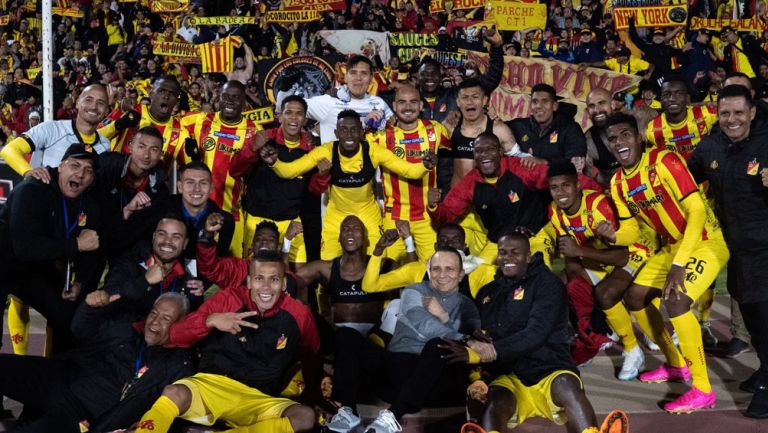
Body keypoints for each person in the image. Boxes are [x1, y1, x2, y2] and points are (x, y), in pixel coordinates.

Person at [598, 112, 729, 413]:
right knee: (634, 296)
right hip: (673, 248)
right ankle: (676, 364)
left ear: (638, 137)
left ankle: (703, 389)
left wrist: (680, 263)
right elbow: (631, 229)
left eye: (625, 135)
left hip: (707, 241)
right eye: (613, 138)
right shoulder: (618, 182)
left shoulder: (664, 161)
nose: (619, 142)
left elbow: (696, 210)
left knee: (678, 300)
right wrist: (613, 235)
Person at [133, 250, 319, 433]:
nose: (266, 287)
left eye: (274, 279)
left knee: (304, 417)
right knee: (174, 392)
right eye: (259, 278)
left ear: (284, 284)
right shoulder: (228, 299)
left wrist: (314, 394)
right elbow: (174, 335)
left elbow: (312, 355)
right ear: (249, 281)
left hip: (259, 399)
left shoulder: (299, 314)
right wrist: (210, 320)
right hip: (211, 386)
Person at [441, 232, 603, 433]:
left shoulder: (548, 284)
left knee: (568, 386)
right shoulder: (488, 293)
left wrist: (482, 351)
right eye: (502, 253)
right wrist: (476, 373)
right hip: (510, 376)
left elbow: (536, 333)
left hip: (549, 370)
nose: (507, 258)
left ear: (528, 256)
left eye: (515, 252)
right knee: (494, 405)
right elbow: (474, 331)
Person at [326, 248, 481, 433]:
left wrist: (444, 316)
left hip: (433, 379)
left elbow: (468, 341)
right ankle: (348, 411)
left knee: (439, 344)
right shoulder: (414, 291)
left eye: (449, 269)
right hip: (395, 370)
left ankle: (392, 416)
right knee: (347, 335)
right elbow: (421, 322)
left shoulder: (467, 305)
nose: (442, 275)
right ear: (428, 269)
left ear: (461, 274)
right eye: (436, 268)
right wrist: (455, 330)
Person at [0, 292, 193, 433]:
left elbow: (171, 410)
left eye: (166, 318)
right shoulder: (127, 332)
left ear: (180, 325)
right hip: (61, 378)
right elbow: (81, 329)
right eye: (154, 313)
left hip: (81, 414)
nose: (155, 322)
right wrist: (89, 307)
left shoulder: (176, 365)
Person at [687, 84, 768, 417]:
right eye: (725, 113)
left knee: (765, 317)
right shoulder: (710, 147)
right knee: (750, 312)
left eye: (738, 113)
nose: (731, 119)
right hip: (734, 250)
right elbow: (682, 182)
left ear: (751, 112)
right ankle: (765, 368)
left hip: (766, 249)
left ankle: (767, 384)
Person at [534, 160, 657, 376]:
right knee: (557, 286)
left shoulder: (598, 205)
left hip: (634, 254)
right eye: (554, 187)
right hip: (599, 258)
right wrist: (577, 278)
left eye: (566, 185)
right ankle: (596, 331)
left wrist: (580, 254)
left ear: (578, 184)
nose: (560, 192)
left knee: (606, 293)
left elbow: (621, 256)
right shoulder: (554, 211)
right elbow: (570, 256)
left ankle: (633, 349)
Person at [262, 109, 434, 260]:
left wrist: (425, 165)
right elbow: (290, 171)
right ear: (337, 133)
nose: (349, 135)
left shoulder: (373, 151)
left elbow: (410, 171)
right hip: (336, 216)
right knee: (328, 265)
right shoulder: (327, 151)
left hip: (368, 214)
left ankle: (383, 298)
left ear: (361, 133)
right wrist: (274, 163)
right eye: (344, 130)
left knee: (381, 258)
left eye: (354, 130)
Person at [429, 133, 601, 262]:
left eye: (490, 149)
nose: (484, 155)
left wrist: (598, 194)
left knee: (539, 270)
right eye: (478, 151)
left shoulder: (521, 168)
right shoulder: (470, 183)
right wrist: (433, 206)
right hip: (498, 242)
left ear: (500, 151)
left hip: (536, 234)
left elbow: (563, 179)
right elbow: (447, 214)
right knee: (477, 276)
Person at [0, 144, 102, 353]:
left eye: (88, 171)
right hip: (5, 261)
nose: (80, 174)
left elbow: (93, 247)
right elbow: (25, 247)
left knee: (68, 318)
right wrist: (75, 245)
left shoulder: (89, 204)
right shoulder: (32, 189)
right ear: (61, 166)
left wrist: (80, 283)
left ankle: (56, 376)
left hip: (36, 269)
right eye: (74, 165)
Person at [366, 85, 451, 262]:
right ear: (395, 106)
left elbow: (460, 154)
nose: (408, 107)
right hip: (394, 216)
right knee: (392, 269)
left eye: (413, 102)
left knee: (431, 271)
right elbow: (353, 147)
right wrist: (367, 124)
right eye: (402, 102)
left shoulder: (435, 130)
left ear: (421, 105)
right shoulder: (381, 136)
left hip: (427, 216)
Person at [230, 95, 317, 265]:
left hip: (291, 221)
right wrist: (253, 148)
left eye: (299, 114)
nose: (293, 117)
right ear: (279, 116)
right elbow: (235, 171)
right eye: (288, 112)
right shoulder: (263, 138)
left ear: (305, 119)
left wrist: (322, 175)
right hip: (256, 221)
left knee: (299, 278)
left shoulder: (311, 149)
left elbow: (314, 190)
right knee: (255, 272)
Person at [182, 80, 264, 258]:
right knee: (193, 264)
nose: (230, 101)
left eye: (236, 97)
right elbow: (169, 124)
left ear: (244, 102)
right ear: (219, 97)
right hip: (197, 210)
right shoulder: (201, 120)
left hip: (231, 212)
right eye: (226, 96)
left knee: (229, 268)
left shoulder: (254, 130)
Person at [97, 216, 205, 322]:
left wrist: (196, 298)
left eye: (176, 237)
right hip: (125, 336)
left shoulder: (188, 273)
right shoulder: (128, 262)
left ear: (185, 243)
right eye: (162, 234)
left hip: (165, 338)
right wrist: (145, 281)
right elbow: (108, 299)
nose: (167, 241)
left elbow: (192, 321)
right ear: (154, 236)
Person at [296, 215, 388, 335]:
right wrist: (303, 303)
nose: (350, 232)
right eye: (345, 229)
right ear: (339, 238)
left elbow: (413, 279)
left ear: (366, 238)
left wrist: (408, 240)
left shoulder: (381, 265)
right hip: (338, 335)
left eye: (356, 229)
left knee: (396, 306)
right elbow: (291, 281)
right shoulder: (326, 268)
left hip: (374, 336)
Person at [0, 84, 111, 176]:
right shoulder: (52, 129)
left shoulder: (105, 145)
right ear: (77, 103)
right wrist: (29, 172)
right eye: (88, 100)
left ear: (106, 111)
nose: (93, 106)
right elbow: (9, 150)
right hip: (46, 201)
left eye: (101, 103)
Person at [95, 126, 170, 259]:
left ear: (160, 155)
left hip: (127, 253)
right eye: (141, 147)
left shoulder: (160, 190)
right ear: (130, 146)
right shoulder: (107, 165)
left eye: (154, 150)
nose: (146, 155)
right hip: (95, 242)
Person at [196, 213, 305, 301]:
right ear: (252, 247)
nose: (264, 242)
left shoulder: (286, 277)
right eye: (259, 239)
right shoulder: (237, 268)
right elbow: (210, 268)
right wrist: (207, 235)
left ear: (277, 248)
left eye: (271, 240)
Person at [415, 29, 504, 122]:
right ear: (417, 76)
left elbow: (489, 81)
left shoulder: (455, 95)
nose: (429, 77)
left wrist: (496, 48)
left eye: (434, 73)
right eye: (424, 73)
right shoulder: (409, 100)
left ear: (441, 75)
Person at [99, 76, 186, 168]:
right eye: (161, 91)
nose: (166, 96)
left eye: (172, 93)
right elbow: (94, 138)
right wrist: (118, 125)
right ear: (151, 94)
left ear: (176, 101)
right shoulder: (128, 110)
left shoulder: (181, 132)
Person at [304, 55, 393, 143]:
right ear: (345, 77)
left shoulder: (379, 103)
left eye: (364, 73)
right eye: (353, 73)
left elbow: (394, 132)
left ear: (371, 79)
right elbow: (293, 107)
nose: (358, 78)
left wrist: (377, 126)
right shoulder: (329, 101)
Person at [507, 83, 587, 169]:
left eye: (544, 101)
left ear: (555, 106)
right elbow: (496, 129)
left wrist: (543, 162)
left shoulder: (570, 129)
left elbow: (574, 165)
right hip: (522, 180)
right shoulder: (519, 126)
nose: (538, 106)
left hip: (555, 181)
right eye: (535, 102)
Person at [166, 161, 235, 260]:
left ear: (211, 188)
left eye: (203, 183)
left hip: (206, 273)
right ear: (180, 187)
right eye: (190, 182)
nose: (197, 189)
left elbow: (220, 261)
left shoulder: (225, 221)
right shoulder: (162, 210)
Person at [645, 77, 717, 160]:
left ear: (687, 98)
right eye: (666, 94)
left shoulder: (706, 114)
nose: (672, 99)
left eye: (678, 93)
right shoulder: (651, 130)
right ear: (661, 99)